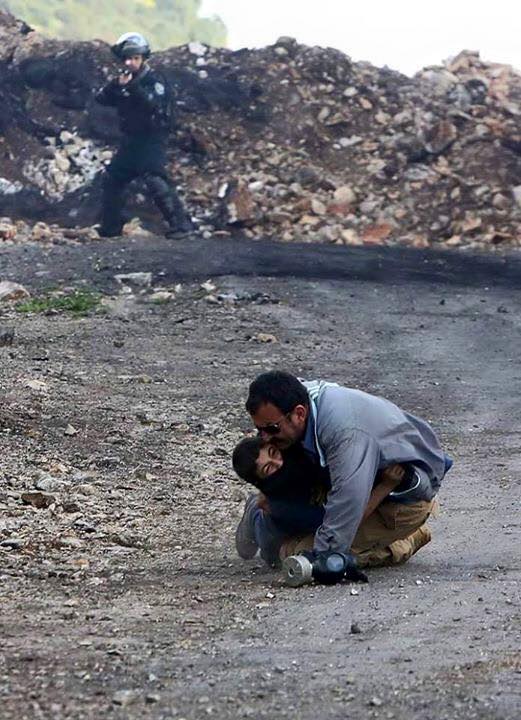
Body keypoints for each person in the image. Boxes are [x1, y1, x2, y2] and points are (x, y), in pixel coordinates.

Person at [235, 371, 453, 580]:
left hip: (401, 503)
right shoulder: (301, 400)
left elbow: (349, 503)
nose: (265, 438)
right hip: (358, 492)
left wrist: (324, 558)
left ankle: (406, 538)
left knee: (297, 553)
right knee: (295, 541)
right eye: (259, 430)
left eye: (271, 429)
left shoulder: (345, 434)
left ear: (299, 413)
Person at [232, 436, 407, 567]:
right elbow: (346, 521)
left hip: (309, 518)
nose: (278, 463)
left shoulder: (297, 448)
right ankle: (254, 513)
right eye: (268, 468)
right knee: (272, 558)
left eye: (274, 453)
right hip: (277, 527)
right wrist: (386, 485)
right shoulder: (284, 507)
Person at [95, 32, 193, 239]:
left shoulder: (154, 80)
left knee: (155, 179)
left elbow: (154, 104)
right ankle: (111, 227)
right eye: (127, 59)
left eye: (135, 58)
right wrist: (117, 86)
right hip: (131, 140)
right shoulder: (124, 80)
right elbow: (102, 98)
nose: (130, 63)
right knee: (113, 179)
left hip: (151, 138)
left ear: (143, 58)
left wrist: (132, 87)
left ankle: (181, 226)